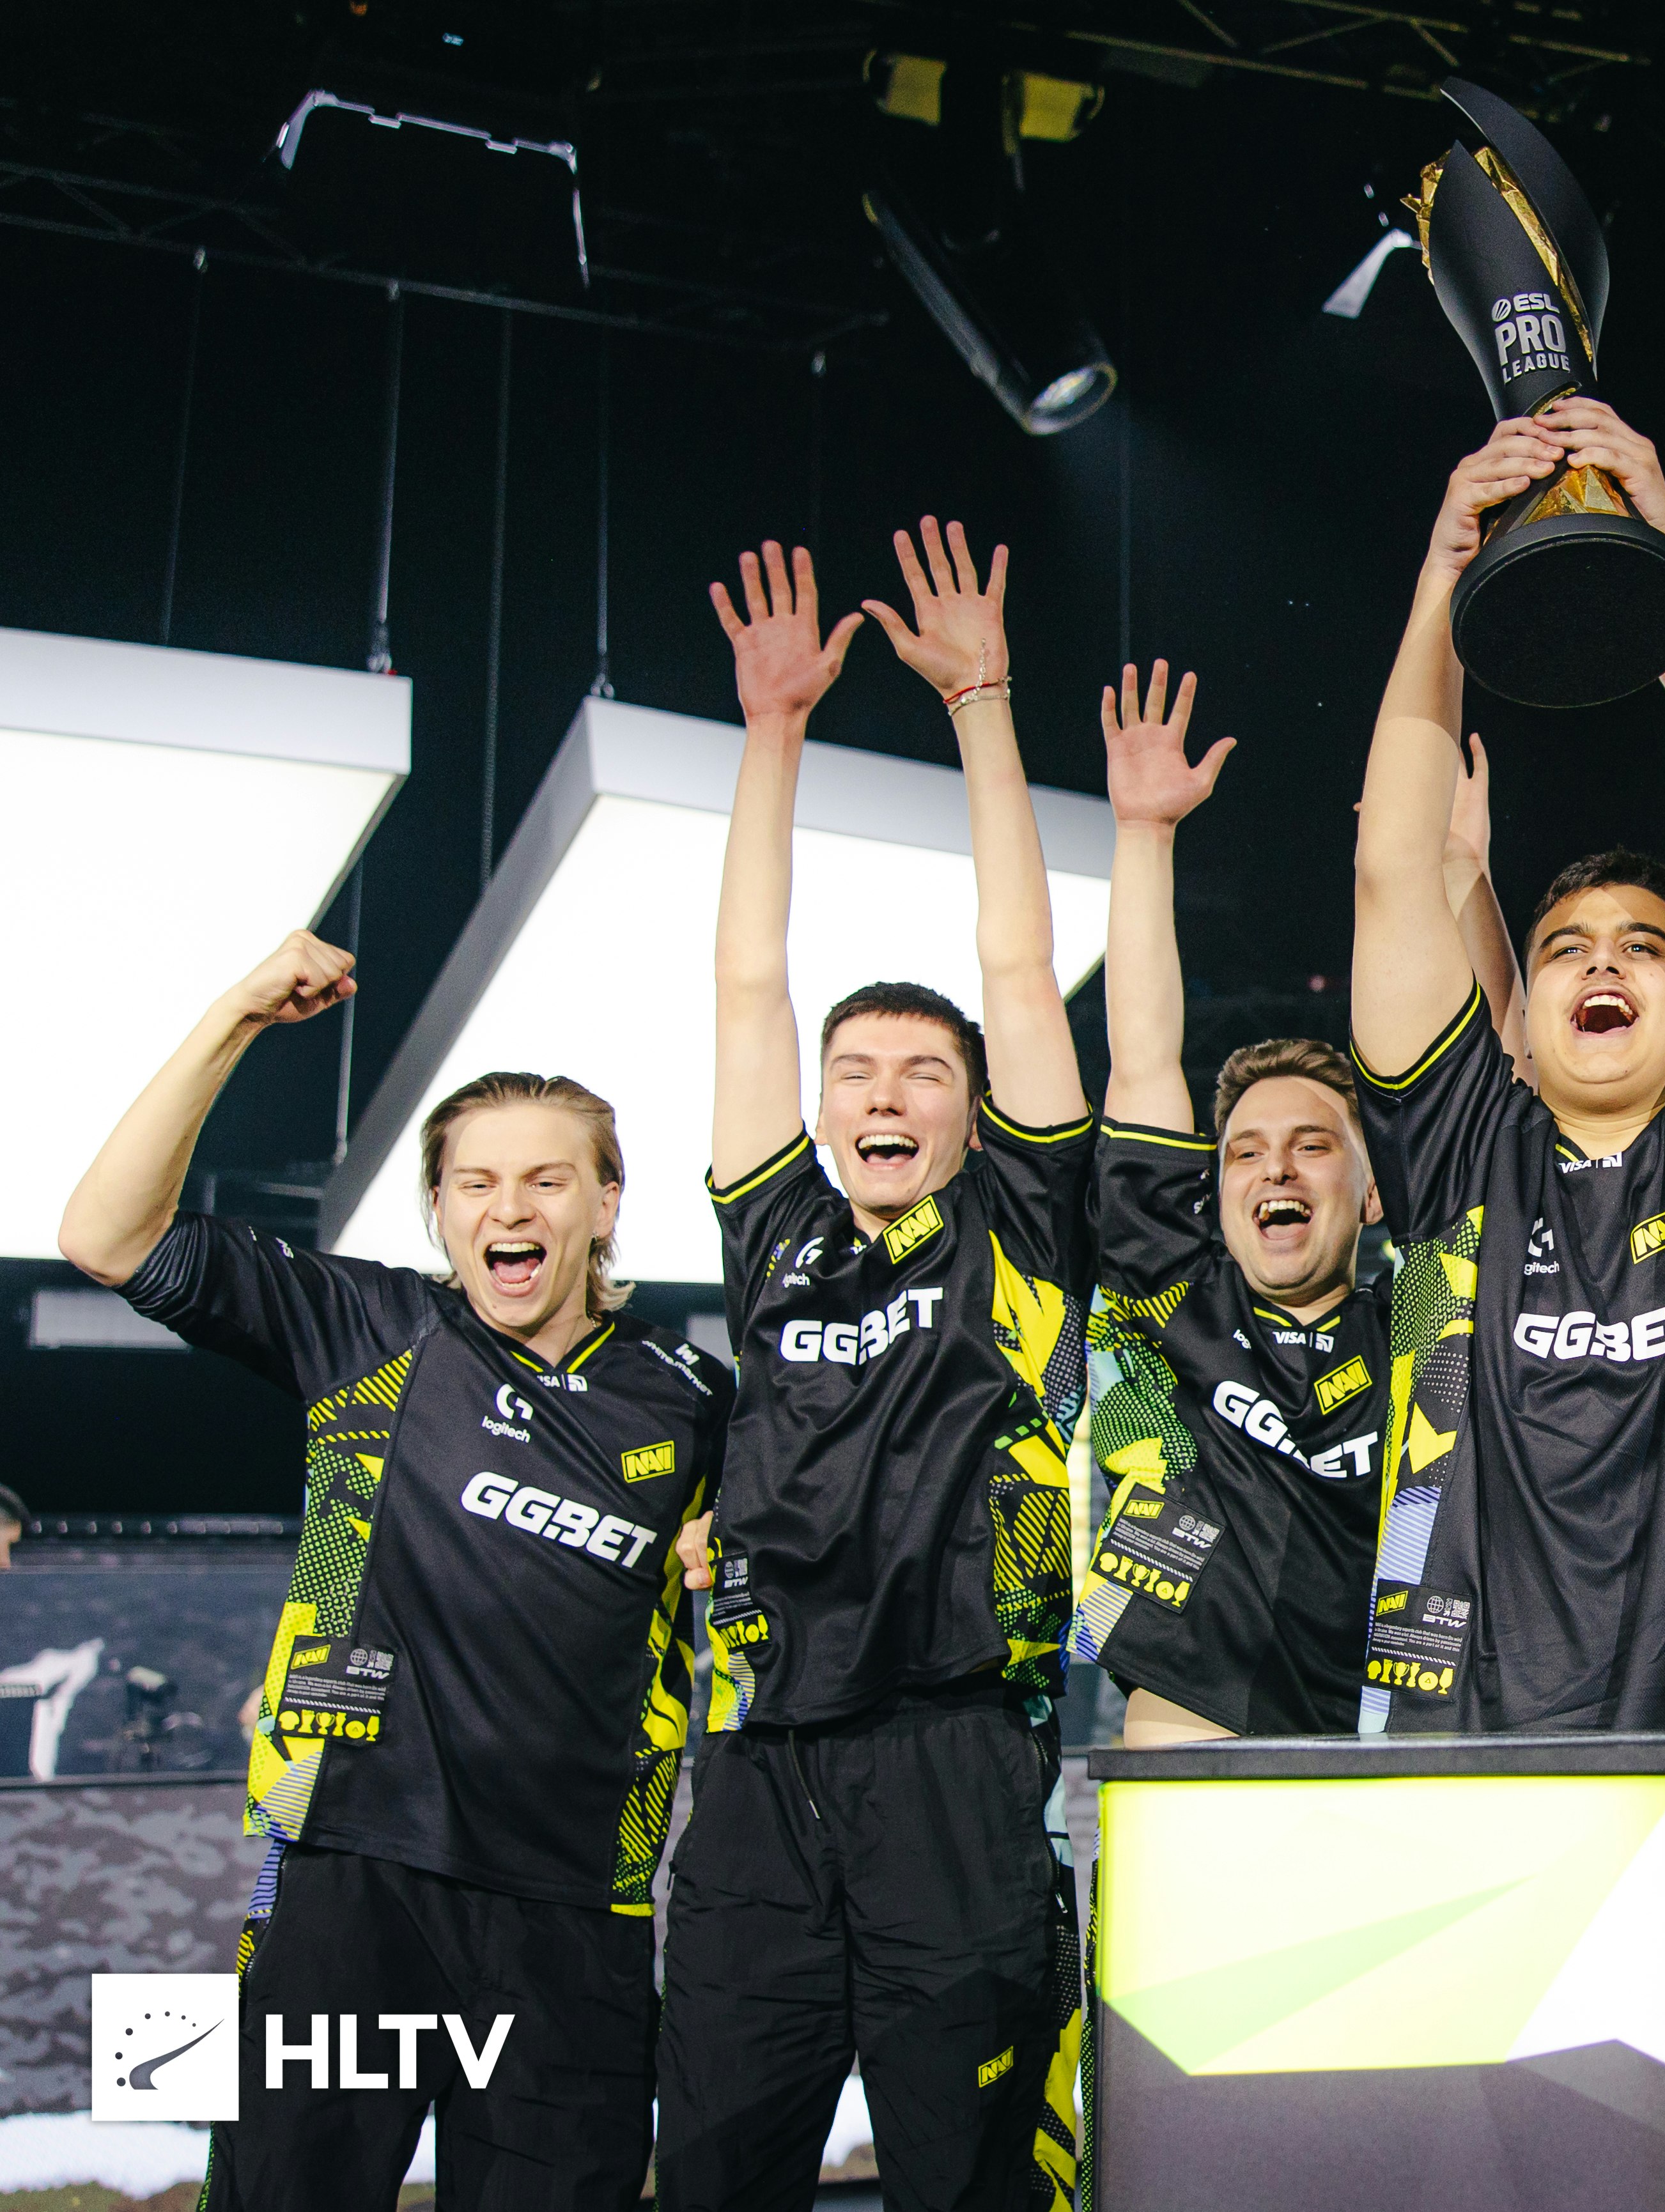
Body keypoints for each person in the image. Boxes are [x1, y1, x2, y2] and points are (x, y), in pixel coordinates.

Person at [1349, 401, 1665, 2211]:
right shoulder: (1456, 1155)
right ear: (1512, 1012)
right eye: (1566, 946)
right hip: (1492, 1798)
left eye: (1647, 947)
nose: (1602, 965)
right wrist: (1447, 573)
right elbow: (1392, 864)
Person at [59, 934, 726, 2210]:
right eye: (476, 1182)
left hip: (576, 1911)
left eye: (546, 1180)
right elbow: (102, 1236)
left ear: (606, 1203)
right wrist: (237, 1015)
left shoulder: (695, 1396)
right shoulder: (370, 1329)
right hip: (348, 1878)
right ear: (440, 1210)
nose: (509, 1210)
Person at [656, 527, 1094, 2211]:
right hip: (761, 1768)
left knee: (968, 2180)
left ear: (976, 1114)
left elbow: (1016, 968)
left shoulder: (1020, 1231)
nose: (886, 1090)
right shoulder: (776, 1232)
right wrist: (772, 731)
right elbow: (743, 983)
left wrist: (981, 702)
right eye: (857, 1070)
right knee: (717, 2170)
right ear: (827, 1107)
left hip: (957, 1762)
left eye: (924, 1072)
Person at [1073, 661, 1517, 1745]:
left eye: (1313, 1145)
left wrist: (1461, 877)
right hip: (1191, 1719)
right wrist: (1144, 836)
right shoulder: (1167, 1297)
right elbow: (1142, 1059)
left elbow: (1495, 1109)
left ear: (1372, 1195)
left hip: (1388, 1739)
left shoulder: (1423, 1323)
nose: (1274, 1169)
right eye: (1244, 1152)